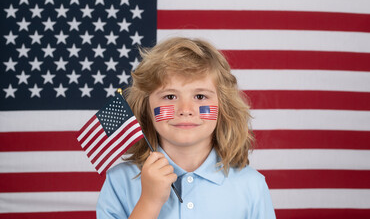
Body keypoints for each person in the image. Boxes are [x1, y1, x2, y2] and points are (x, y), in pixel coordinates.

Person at [96, 37, 276, 218]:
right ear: (146, 108)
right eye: (170, 97)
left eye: (199, 96)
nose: (185, 110)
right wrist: (149, 202)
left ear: (223, 105)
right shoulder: (119, 182)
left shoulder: (252, 185)